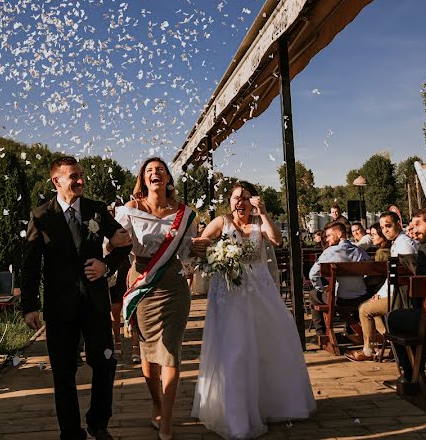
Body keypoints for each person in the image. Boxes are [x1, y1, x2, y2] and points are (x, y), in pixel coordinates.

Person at [192, 182, 315, 439]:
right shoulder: (221, 222)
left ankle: (269, 404)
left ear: (253, 201)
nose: (241, 202)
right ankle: (237, 411)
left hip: (261, 291)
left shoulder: (260, 223)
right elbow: (199, 244)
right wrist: (215, 255)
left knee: (271, 343)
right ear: (230, 201)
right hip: (230, 292)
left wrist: (264, 213)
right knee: (236, 348)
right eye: (236, 197)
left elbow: (276, 240)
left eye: (246, 198)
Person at [21, 156, 132, 440]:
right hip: (59, 306)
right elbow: (31, 264)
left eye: (81, 175)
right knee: (63, 373)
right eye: (73, 176)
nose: (80, 180)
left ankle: (99, 423)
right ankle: (71, 432)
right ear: (56, 181)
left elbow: (123, 242)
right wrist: (29, 306)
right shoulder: (40, 216)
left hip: (95, 304)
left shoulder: (97, 209)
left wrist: (106, 264)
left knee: (105, 363)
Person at [115, 157, 201, 440]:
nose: (155, 173)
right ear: (143, 179)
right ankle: (155, 401)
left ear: (167, 179)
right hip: (142, 283)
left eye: (160, 170)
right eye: (149, 170)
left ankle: (168, 414)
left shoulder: (185, 213)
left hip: (174, 286)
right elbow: (113, 244)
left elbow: (187, 253)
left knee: (170, 351)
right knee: (148, 352)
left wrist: (201, 250)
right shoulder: (129, 210)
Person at [384, 209, 426, 382]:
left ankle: (411, 374)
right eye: (412, 225)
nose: (414, 230)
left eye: (418, 224)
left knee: (393, 317)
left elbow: (418, 295)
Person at [346, 211, 417, 362]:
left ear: (399, 224)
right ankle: (392, 343)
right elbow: (392, 277)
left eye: (388, 226)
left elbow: (400, 277)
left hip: (404, 296)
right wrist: (380, 293)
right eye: (382, 227)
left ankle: (368, 350)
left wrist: (383, 293)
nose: (385, 230)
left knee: (364, 309)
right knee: (372, 305)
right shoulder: (398, 242)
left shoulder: (404, 244)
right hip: (397, 291)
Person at [308, 221, 369, 342]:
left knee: (313, 294)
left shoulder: (330, 252)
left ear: (340, 234)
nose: (327, 239)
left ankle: (321, 334)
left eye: (329, 235)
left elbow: (312, 275)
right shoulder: (360, 251)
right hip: (361, 296)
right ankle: (351, 330)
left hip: (339, 298)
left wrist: (322, 288)